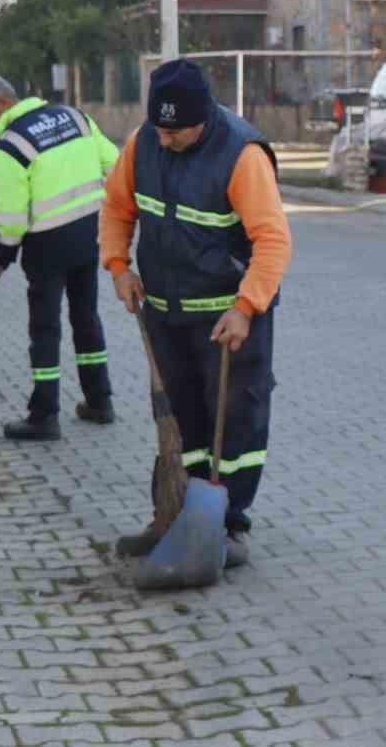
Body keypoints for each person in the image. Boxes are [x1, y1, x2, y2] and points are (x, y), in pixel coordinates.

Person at [99, 60, 291, 568]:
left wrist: (245, 308)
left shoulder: (242, 155)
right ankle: (174, 517)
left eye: (175, 132)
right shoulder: (142, 144)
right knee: (180, 422)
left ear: (201, 118)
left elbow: (272, 240)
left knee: (235, 423)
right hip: (166, 315)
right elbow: (116, 207)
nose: (164, 141)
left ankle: (228, 525)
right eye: (159, 130)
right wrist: (118, 266)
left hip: (229, 321)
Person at [0, 74, 119, 441]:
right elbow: (114, 164)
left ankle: (44, 416)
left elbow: (12, 212)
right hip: (89, 234)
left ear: (2, 103)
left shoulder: (9, 146)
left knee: (45, 328)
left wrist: (6, 246)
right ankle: (100, 401)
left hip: (47, 245)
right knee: (86, 317)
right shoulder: (74, 117)